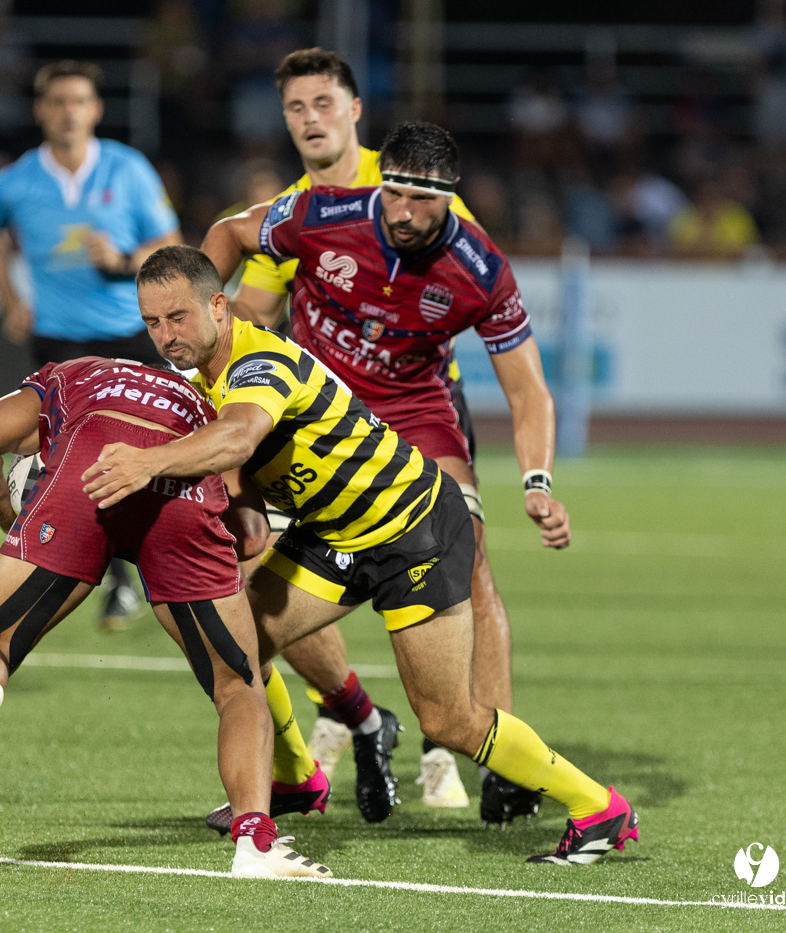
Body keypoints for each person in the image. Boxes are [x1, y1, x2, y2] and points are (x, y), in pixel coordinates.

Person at [85, 245, 639, 866]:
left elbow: (238, 434)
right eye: (153, 322)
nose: (166, 336)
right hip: (335, 535)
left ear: (219, 304)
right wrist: (238, 503)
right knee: (235, 648)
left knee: (448, 720)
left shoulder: (259, 359)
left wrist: (146, 464)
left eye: (178, 318)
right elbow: (239, 458)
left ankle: (599, 808)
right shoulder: (205, 373)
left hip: (414, 530)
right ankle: (296, 781)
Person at [0, 355, 330, 880]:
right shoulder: (212, 403)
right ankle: (254, 844)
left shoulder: (71, 374)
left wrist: (16, 523)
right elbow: (254, 535)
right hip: (181, 498)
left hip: (80, 485)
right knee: (238, 687)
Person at [227, 47, 483, 822]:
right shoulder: (294, 210)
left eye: (322, 104)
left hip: (419, 409)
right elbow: (248, 313)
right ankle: (352, 710)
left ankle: (462, 750)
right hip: (323, 424)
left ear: (354, 108)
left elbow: (469, 278)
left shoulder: (407, 178)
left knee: (472, 575)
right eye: (295, 108)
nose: (310, 119)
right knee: (258, 572)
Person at [0, 59, 182, 631]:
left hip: (129, 333)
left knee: (146, 454)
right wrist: (8, 297)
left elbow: (169, 244)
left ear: (96, 109)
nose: (69, 111)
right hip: (59, 340)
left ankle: (159, 563)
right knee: (71, 460)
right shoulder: (15, 181)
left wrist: (121, 262)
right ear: (41, 110)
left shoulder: (127, 169)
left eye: (79, 101)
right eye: (58, 101)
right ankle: (113, 579)